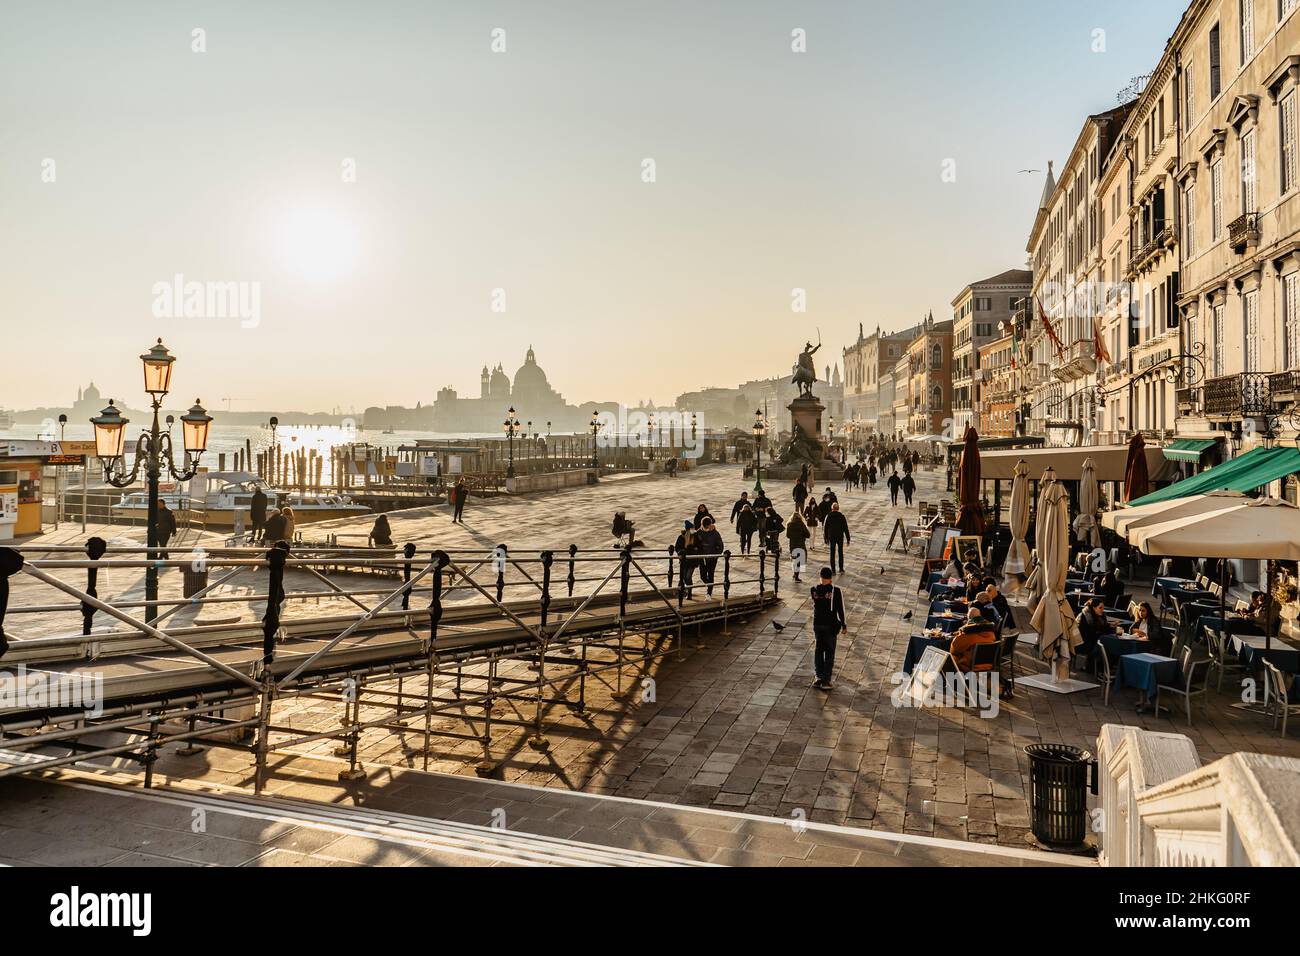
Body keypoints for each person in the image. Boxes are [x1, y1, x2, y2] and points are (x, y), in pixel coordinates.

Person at [810, 567, 847, 690]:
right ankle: (826, 680)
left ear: (820, 577)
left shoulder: (814, 590)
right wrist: (844, 625)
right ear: (831, 579)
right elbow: (841, 609)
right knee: (830, 653)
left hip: (817, 624)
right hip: (830, 626)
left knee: (819, 651)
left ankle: (819, 676)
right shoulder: (836, 591)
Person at [950, 607, 998, 672]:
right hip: (989, 664)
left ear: (968, 618)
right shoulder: (990, 632)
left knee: (950, 657)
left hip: (970, 666)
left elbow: (954, 649)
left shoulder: (968, 633)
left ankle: (954, 680)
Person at [695, 516, 724, 596]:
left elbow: (720, 545)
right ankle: (709, 584)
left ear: (710, 524)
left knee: (710, 573)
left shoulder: (715, 533)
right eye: (705, 527)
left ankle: (709, 592)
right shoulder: (699, 532)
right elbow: (695, 543)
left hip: (712, 557)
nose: (706, 528)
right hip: (701, 557)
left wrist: (717, 555)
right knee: (703, 576)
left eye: (707, 526)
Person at [823, 501, 851, 574]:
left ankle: (833, 570)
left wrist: (825, 538)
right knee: (840, 552)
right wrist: (848, 538)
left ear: (832, 508)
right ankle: (841, 569)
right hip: (840, 537)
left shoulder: (828, 516)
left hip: (832, 537)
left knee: (832, 554)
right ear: (838, 508)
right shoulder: (842, 516)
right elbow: (845, 528)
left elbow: (825, 528)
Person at [674, 520, 698, 598]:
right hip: (684, 561)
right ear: (688, 529)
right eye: (692, 528)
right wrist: (681, 552)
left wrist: (695, 549)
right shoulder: (681, 537)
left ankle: (689, 593)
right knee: (683, 577)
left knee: (688, 577)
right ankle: (684, 592)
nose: (693, 530)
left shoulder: (695, 536)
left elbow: (699, 547)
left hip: (692, 561)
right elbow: (677, 547)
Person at [786, 510, 811, 581]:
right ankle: (796, 576)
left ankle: (795, 574)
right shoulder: (801, 524)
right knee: (799, 561)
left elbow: (788, 535)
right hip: (800, 544)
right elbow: (808, 535)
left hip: (793, 545)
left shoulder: (789, 525)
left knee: (795, 560)